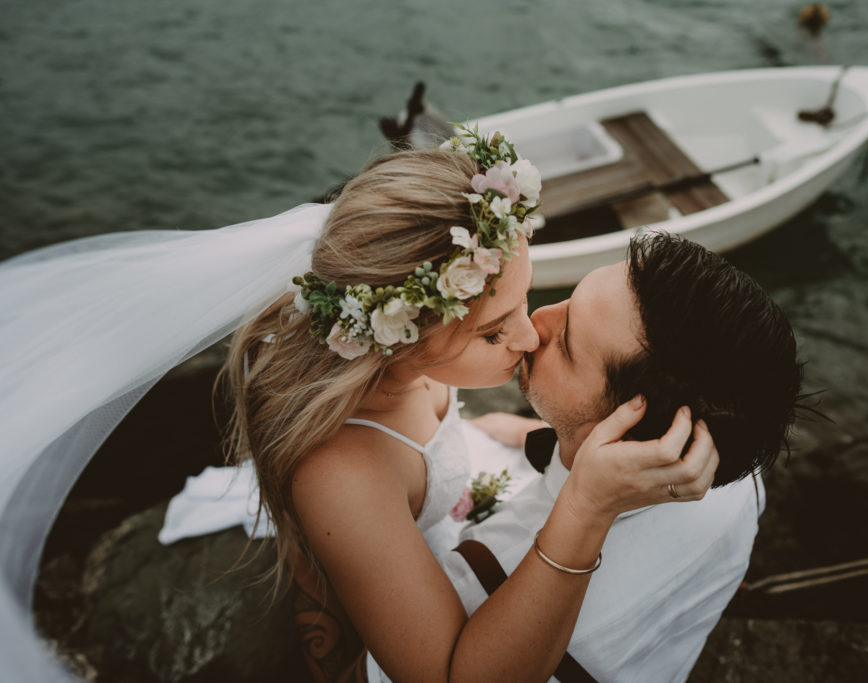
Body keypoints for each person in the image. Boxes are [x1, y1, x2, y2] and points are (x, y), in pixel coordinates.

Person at [0, 128, 718, 683]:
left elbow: (445, 429)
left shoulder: (400, 362)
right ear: (397, 345)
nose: (529, 335)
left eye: (524, 300)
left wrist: (513, 430)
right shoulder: (341, 469)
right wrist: (586, 508)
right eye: (495, 329)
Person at [440, 232, 803, 681]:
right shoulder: (731, 478)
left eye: (567, 342)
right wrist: (534, 432)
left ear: (622, 431)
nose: (536, 323)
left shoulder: (491, 581)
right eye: (570, 298)